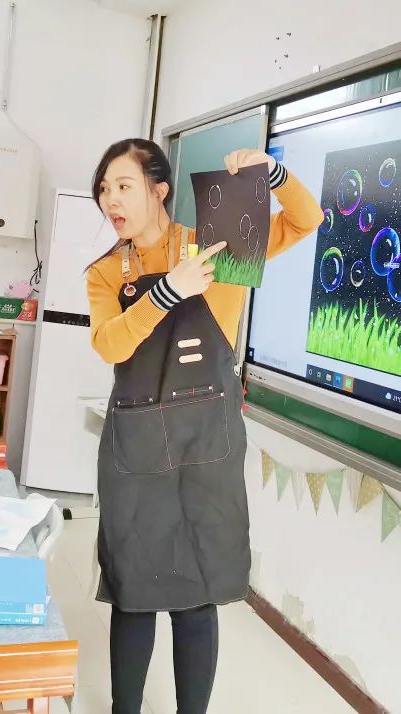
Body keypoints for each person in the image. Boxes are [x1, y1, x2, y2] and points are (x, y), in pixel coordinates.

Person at [86, 139, 323, 714]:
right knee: (134, 593)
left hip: (205, 448)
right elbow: (110, 344)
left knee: (196, 597)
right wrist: (169, 292)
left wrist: (274, 175)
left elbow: (305, 220)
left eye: (123, 186)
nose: (110, 200)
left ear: (159, 190)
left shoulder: (218, 246)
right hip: (136, 450)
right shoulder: (104, 272)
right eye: (104, 190)